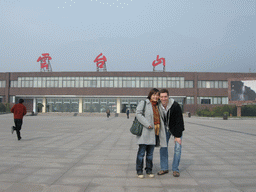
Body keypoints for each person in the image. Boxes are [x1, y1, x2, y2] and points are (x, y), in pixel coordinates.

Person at [135, 88, 167, 179]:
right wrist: (147, 124)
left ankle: (149, 170)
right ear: (150, 95)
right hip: (145, 132)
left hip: (154, 133)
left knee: (150, 154)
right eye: (154, 94)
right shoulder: (144, 103)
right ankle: (139, 171)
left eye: (157, 95)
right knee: (141, 153)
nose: (155, 96)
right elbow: (138, 113)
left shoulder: (158, 105)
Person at [157, 89, 184, 177]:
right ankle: (164, 168)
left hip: (176, 128)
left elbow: (180, 121)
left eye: (165, 96)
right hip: (164, 129)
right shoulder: (158, 105)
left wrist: (178, 136)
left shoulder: (175, 105)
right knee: (163, 148)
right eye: (161, 97)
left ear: (168, 97)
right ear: (159, 97)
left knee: (177, 148)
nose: (163, 98)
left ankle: (175, 169)